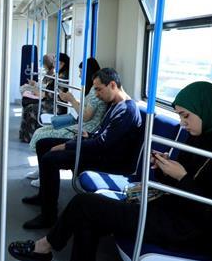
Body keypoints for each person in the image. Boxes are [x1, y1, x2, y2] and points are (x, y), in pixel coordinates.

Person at [8, 81, 212, 261]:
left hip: (186, 229)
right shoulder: (202, 137)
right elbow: (182, 185)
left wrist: (181, 177)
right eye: (180, 116)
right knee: (88, 217)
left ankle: (46, 247)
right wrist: (165, 168)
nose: (182, 123)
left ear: (207, 111)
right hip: (168, 211)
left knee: (85, 205)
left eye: (186, 116)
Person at [22, 68, 142, 229]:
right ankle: (44, 195)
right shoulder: (115, 104)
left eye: (99, 89)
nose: (97, 94)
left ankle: (48, 216)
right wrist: (88, 136)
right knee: (43, 144)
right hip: (101, 150)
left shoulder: (126, 110)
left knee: (50, 159)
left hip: (107, 159)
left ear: (112, 85)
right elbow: (104, 135)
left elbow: (104, 144)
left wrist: (67, 145)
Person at [25, 58, 107, 186]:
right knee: (40, 130)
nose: (79, 75)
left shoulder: (94, 92)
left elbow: (85, 116)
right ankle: (41, 169)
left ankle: (44, 176)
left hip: (86, 128)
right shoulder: (92, 90)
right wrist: (70, 100)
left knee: (43, 135)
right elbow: (86, 109)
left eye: (81, 72)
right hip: (80, 123)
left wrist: (71, 99)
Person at [19, 54, 56, 143]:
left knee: (30, 108)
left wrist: (35, 87)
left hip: (48, 101)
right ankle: (24, 135)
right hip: (44, 96)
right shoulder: (49, 74)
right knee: (27, 105)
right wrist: (35, 85)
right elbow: (44, 86)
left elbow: (45, 91)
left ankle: (29, 137)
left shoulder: (53, 75)